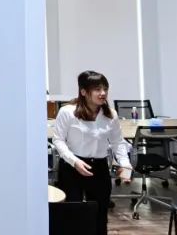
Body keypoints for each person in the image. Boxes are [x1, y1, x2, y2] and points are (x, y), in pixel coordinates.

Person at [51, 71, 132, 227]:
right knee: (71, 215)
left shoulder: (110, 114)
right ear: (83, 92)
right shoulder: (67, 112)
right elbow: (58, 140)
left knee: (100, 216)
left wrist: (125, 164)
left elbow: (117, 142)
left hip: (99, 167)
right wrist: (74, 161)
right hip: (72, 167)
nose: (103, 93)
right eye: (97, 89)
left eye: (105, 89)